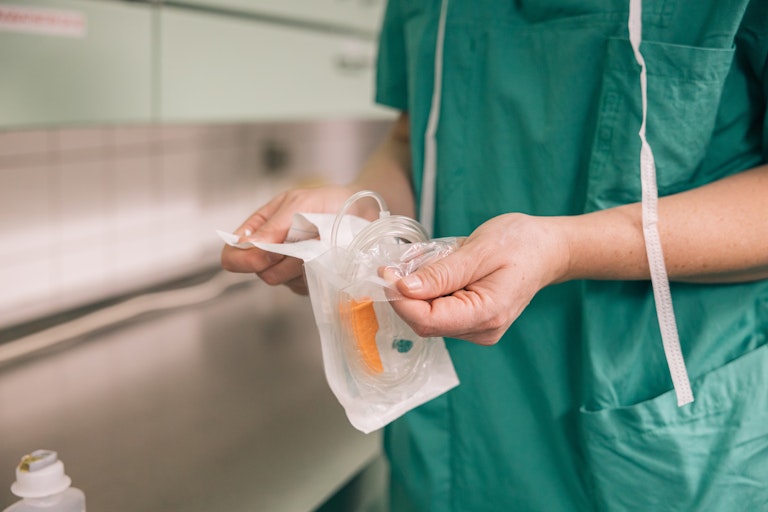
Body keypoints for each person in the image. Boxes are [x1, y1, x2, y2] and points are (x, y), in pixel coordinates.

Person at [222, 0, 768, 510]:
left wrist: (565, 248)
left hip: (654, 435)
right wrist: (357, 222)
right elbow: (412, 139)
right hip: (441, 438)